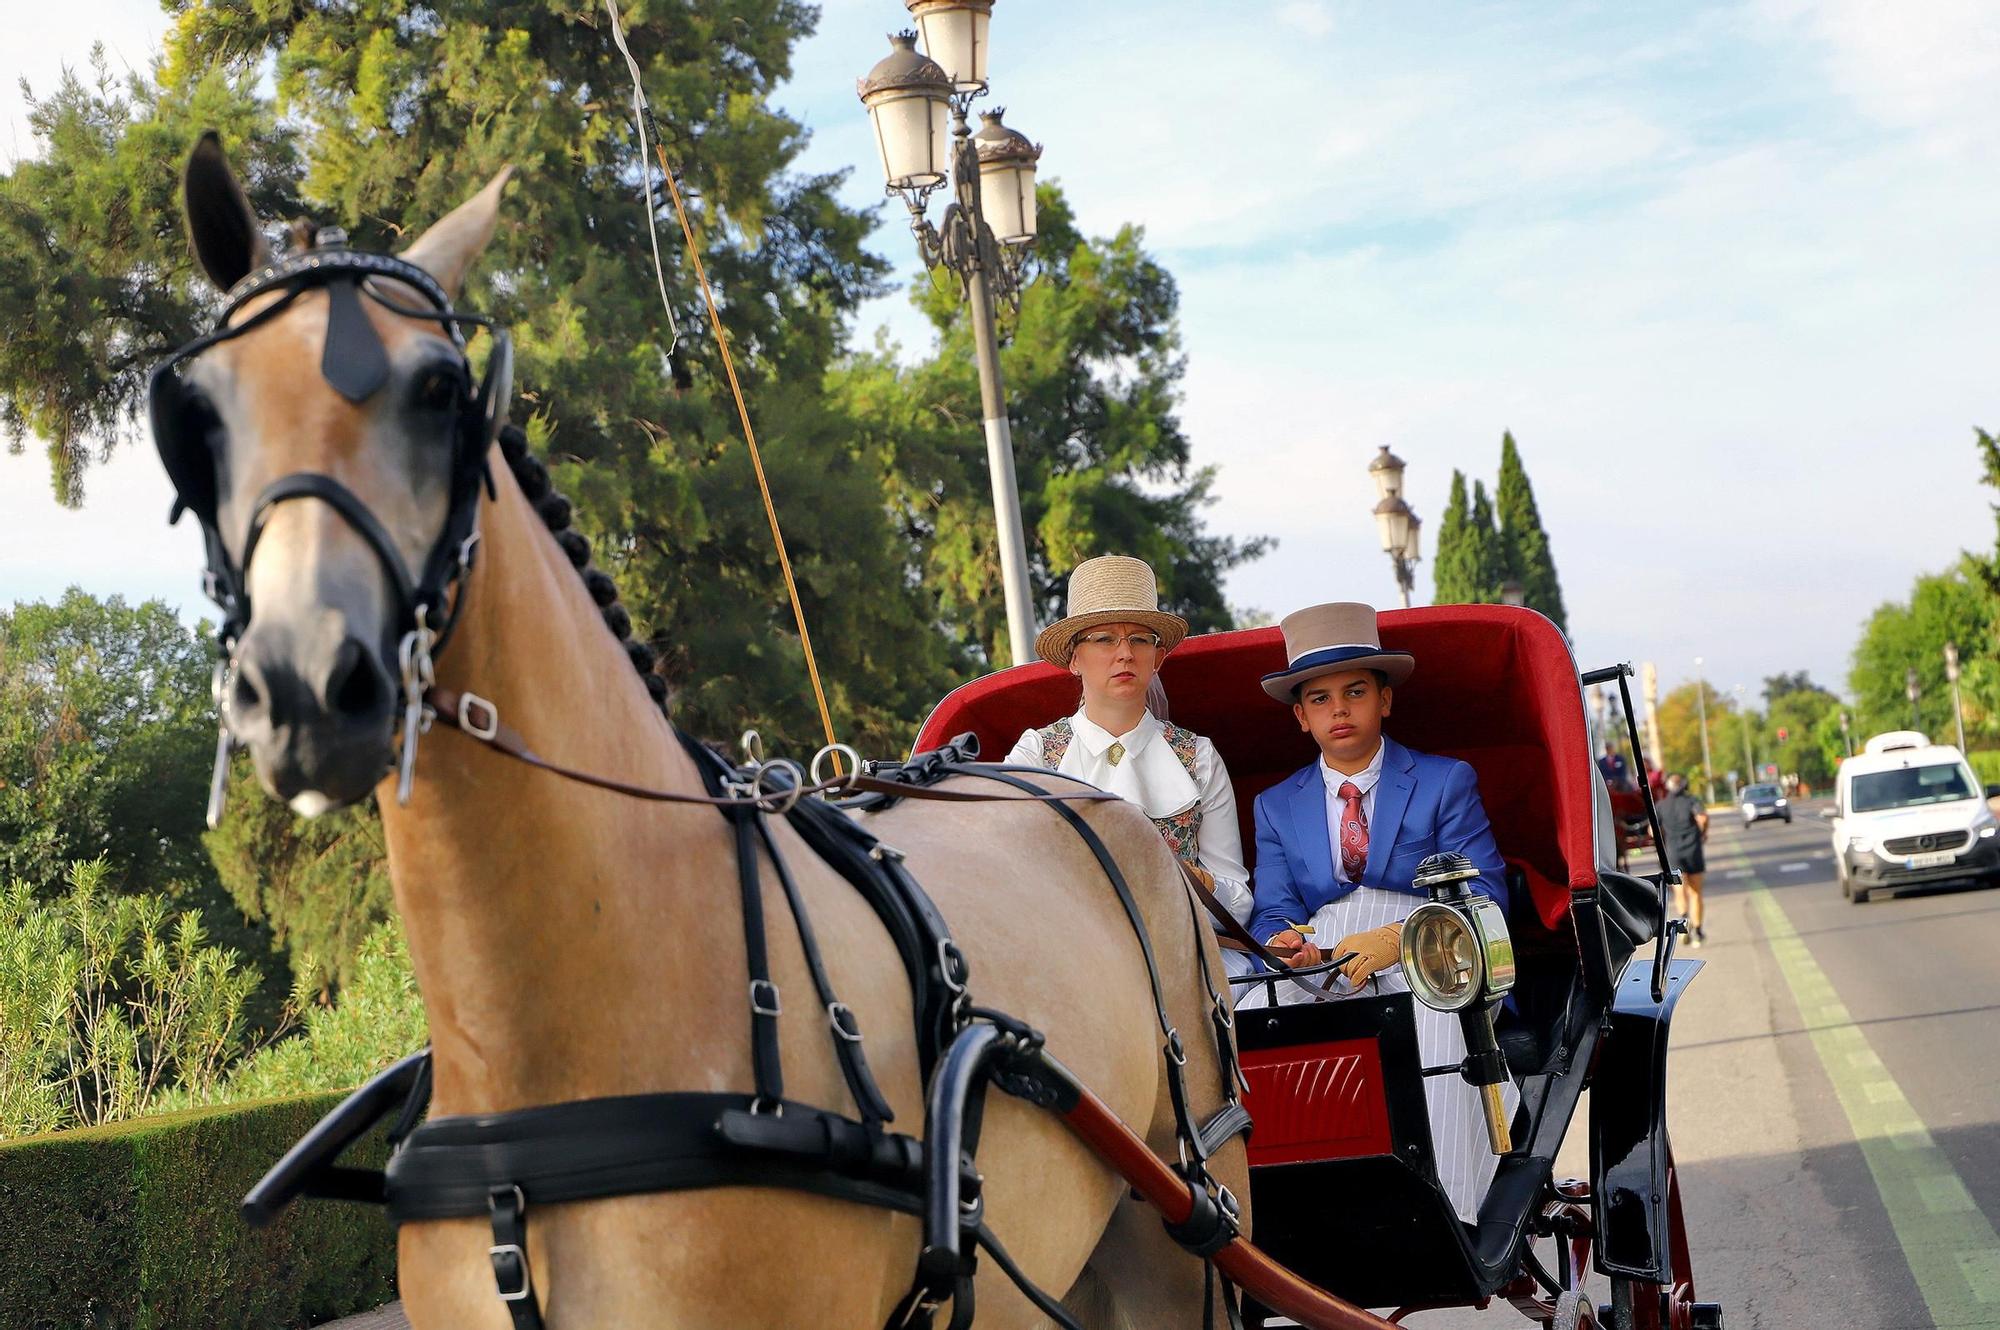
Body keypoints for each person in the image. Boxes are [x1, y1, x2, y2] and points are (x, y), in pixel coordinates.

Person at [1244, 601, 1515, 1223]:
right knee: (1250, 1010)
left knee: (1437, 1008)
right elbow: (1273, 913)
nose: (1338, 710)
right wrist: (1293, 952)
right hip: (1323, 958)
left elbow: (1487, 897)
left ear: (1385, 701)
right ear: (1300, 716)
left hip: (1437, 953)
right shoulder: (1276, 806)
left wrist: (1403, 939)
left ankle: (1453, 1210)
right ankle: (1283, 1218)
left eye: (1356, 692)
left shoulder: (1445, 781)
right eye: (1319, 699)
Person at [1006, 554, 1256, 978]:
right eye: (1104, 639)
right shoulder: (1034, 755)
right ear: (1074, 658)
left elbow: (1239, 905)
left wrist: (1199, 884)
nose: (1124, 654)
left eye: (1140, 640)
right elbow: (1010, 876)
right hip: (1069, 962)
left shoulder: (1197, 757)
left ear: (1157, 659)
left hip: (1183, 962)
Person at [1657, 772, 1709, 946]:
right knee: (1696, 892)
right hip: (1693, 850)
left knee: (1680, 891)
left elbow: (1652, 830)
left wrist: (1662, 842)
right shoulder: (1691, 801)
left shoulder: (1662, 805)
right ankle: (1699, 931)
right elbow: (1702, 818)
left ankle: (1684, 919)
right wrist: (1702, 833)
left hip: (1673, 852)